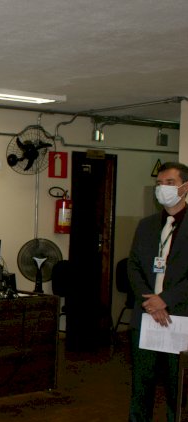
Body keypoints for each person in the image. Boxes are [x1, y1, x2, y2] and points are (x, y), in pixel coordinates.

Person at [128, 162, 188, 422]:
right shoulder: (147, 225)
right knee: (141, 387)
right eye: (159, 184)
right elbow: (133, 266)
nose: (162, 189)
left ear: (184, 188)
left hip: (180, 319)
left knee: (179, 390)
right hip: (146, 319)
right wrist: (150, 302)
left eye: (170, 183)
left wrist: (165, 299)